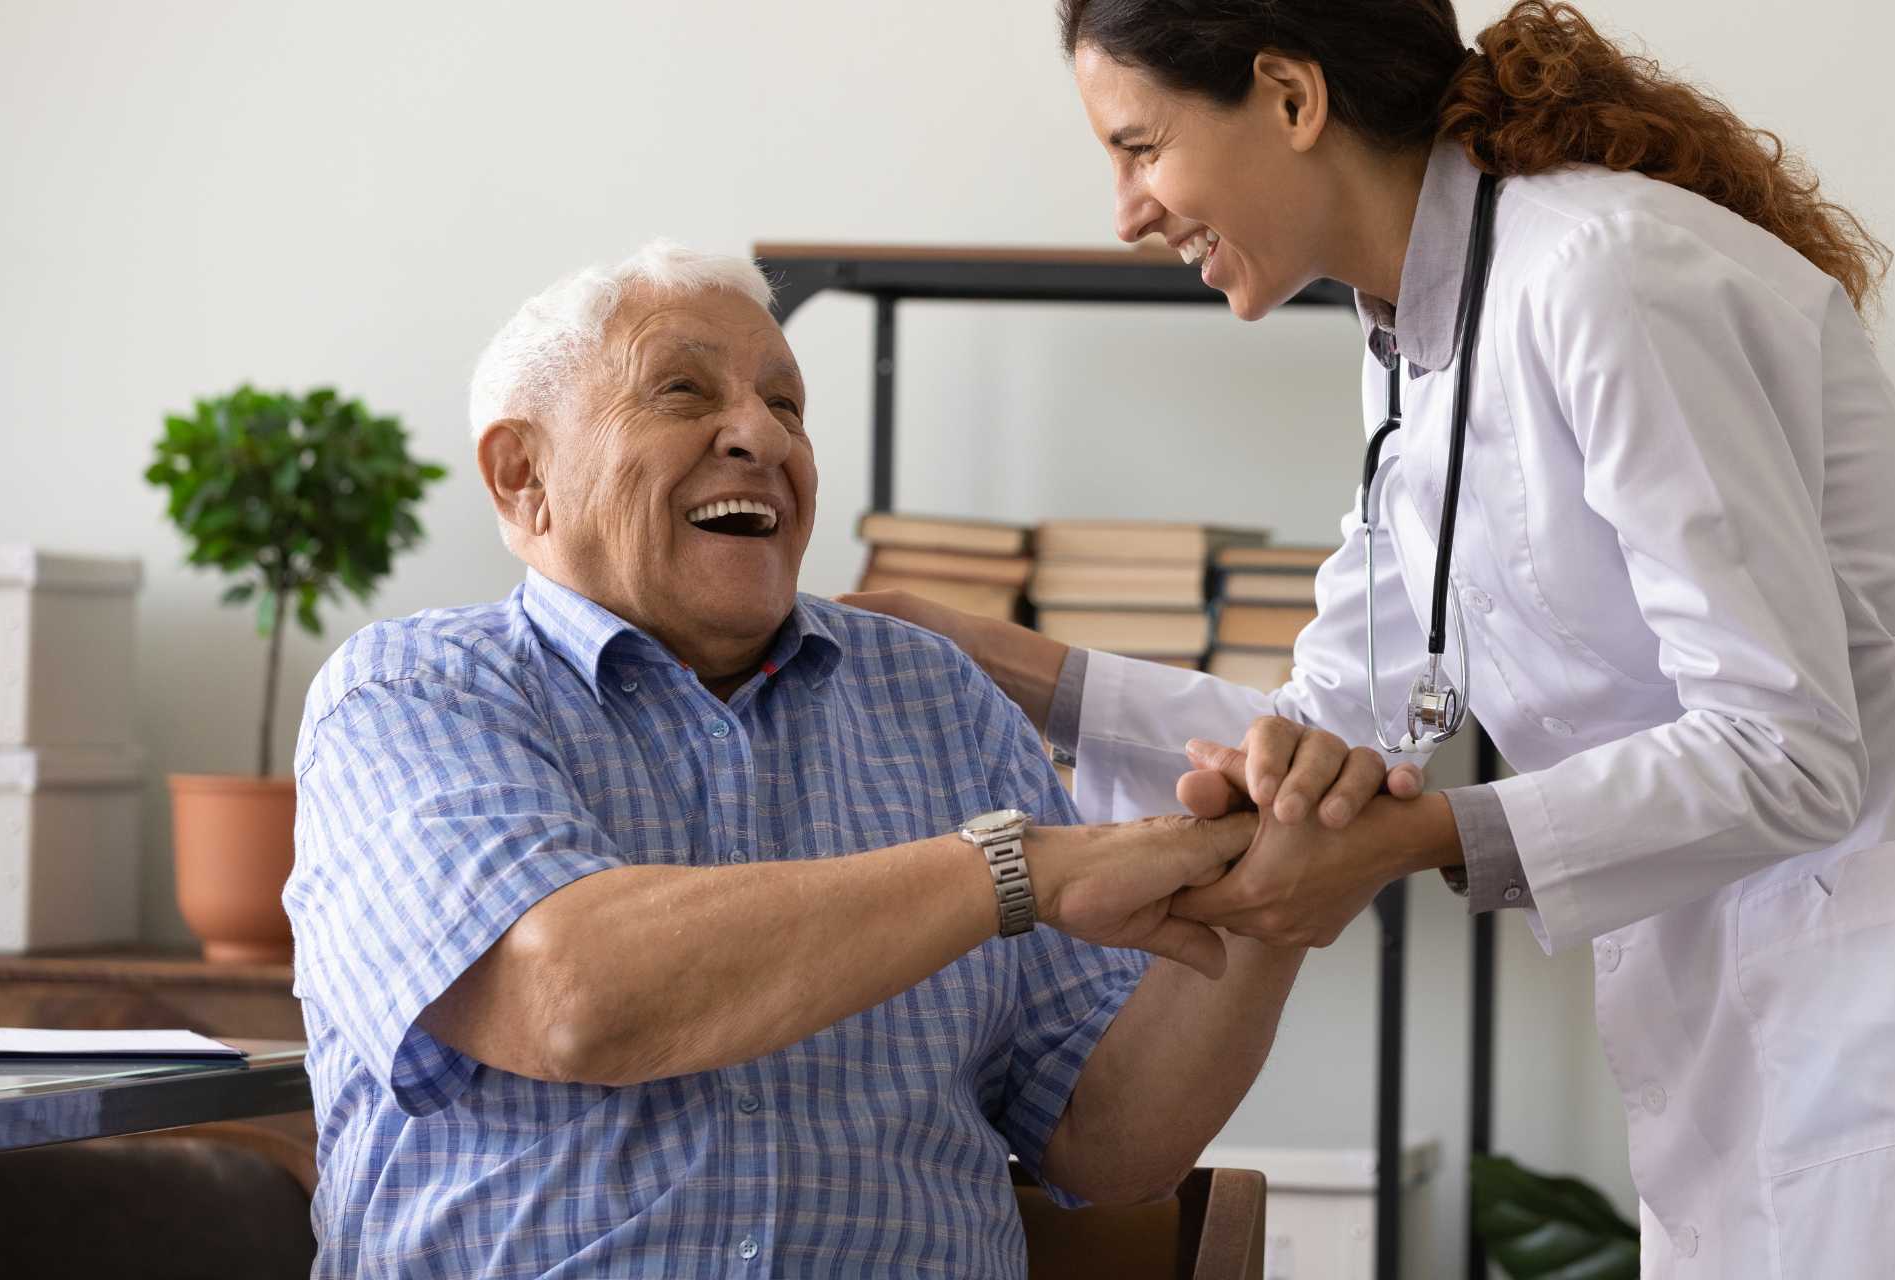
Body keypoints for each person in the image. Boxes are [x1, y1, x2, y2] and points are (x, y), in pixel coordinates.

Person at [842, 2, 1895, 1277]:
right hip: (1747, 1006)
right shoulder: (1413, 339)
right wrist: (987, 658)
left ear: (1291, 98)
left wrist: (1416, 839)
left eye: (1139, 147)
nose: (1125, 211)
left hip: (1857, 999)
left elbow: (1789, 750)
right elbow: (1330, 716)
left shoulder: (1600, 275)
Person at [284, 240, 1312, 1279]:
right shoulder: (410, 694)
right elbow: (573, 996)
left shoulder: (938, 694)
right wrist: (1013, 868)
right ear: (523, 475)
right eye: (682, 390)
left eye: (789, 404)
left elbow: (1111, 1141)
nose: (760, 435)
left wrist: (1273, 898)